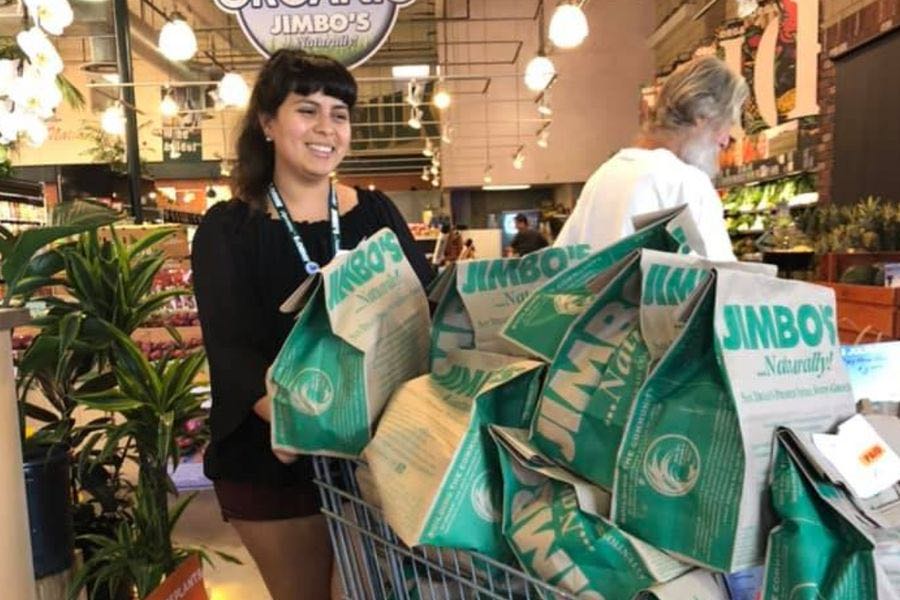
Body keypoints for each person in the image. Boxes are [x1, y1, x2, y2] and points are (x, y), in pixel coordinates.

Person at [191, 49, 433, 600]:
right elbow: (233, 357)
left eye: (339, 113)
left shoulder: (374, 214)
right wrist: (309, 427)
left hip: (377, 456)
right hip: (274, 456)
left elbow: (424, 311)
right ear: (268, 122)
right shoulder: (228, 230)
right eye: (307, 110)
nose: (326, 128)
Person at [554, 56, 747, 261]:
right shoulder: (686, 182)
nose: (726, 141)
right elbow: (723, 284)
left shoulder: (604, 176)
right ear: (702, 115)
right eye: (727, 123)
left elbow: (559, 264)